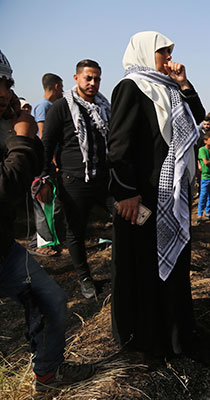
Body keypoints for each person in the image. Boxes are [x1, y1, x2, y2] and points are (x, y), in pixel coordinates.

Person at [0, 49, 95, 392]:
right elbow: (8, 184)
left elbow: (32, 160)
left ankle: (48, 373)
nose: (3, 91)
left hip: (4, 248)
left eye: (6, 83)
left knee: (51, 299)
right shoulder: (25, 123)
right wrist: (23, 135)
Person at [108, 31, 205, 355]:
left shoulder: (171, 90)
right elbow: (118, 146)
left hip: (170, 199)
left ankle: (175, 336)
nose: (169, 59)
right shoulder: (131, 87)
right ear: (147, 53)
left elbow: (198, 119)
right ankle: (145, 341)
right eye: (163, 53)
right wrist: (127, 193)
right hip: (142, 199)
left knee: (174, 266)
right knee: (141, 269)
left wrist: (185, 83)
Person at [39, 59, 112, 299]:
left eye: (97, 79)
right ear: (76, 78)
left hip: (104, 179)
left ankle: (124, 271)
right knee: (76, 232)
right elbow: (47, 144)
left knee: (124, 219)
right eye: (88, 78)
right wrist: (45, 176)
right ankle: (84, 278)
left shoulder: (104, 107)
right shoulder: (61, 107)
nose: (93, 83)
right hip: (74, 181)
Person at [30, 73, 65, 257]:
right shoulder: (44, 106)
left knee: (55, 204)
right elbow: (45, 136)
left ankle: (55, 241)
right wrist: (52, 161)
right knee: (46, 203)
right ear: (57, 86)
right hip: (45, 164)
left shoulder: (52, 106)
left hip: (54, 161)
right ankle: (44, 243)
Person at [32, 73, 64, 137]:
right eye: (61, 87)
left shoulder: (49, 105)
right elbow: (42, 133)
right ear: (56, 87)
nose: (62, 91)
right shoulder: (43, 106)